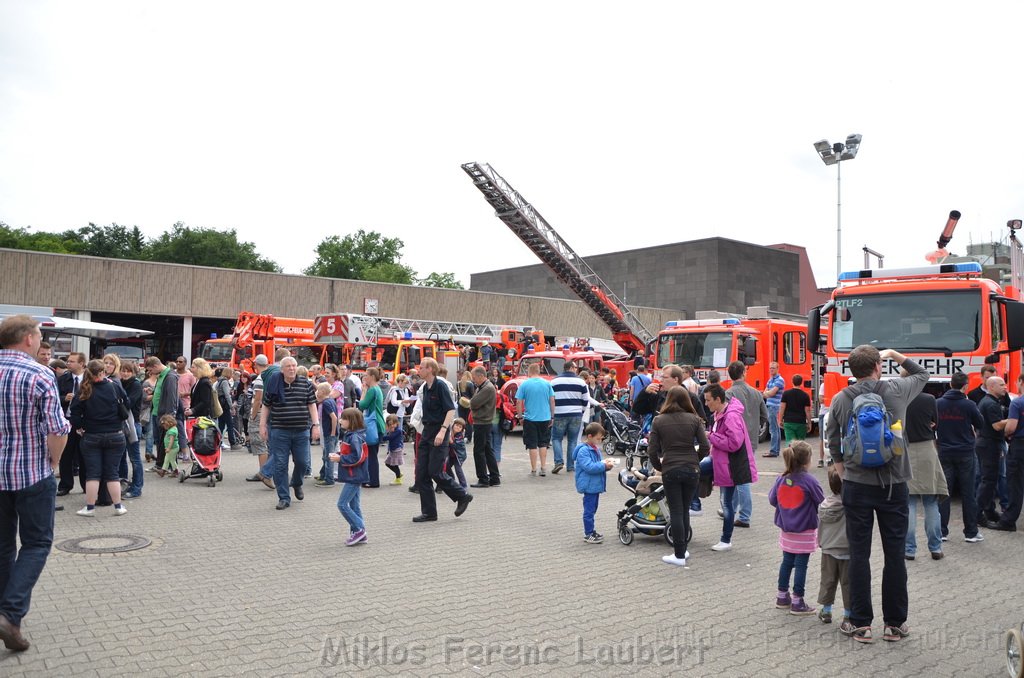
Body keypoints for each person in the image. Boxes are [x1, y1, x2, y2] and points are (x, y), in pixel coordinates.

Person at [826, 346, 928, 644]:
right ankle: (894, 625)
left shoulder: (841, 398)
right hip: (894, 485)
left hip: (857, 485)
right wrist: (895, 354)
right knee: (894, 555)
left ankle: (861, 624)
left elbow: (832, 439)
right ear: (877, 366)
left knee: (859, 555)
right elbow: (923, 373)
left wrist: (844, 473)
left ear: (852, 370)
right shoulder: (896, 389)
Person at [0, 315, 69, 652]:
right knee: (37, 543)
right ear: (28, 339)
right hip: (31, 474)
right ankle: (10, 614)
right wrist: (54, 461)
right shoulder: (39, 374)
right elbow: (58, 428)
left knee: (2, 546)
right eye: (39, 336)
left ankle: (5, 613)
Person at [647, 386, 709, 567]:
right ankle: (684, 549)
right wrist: (695, 461)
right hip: (691, 469)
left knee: (675, 510)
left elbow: (652, 450)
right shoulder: (695, 420)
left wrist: (660, 466)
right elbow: (705, 447)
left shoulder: (659, 420)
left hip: (671, 468)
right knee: (684, 508)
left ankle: (679, 555)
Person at [410, 357, 473, 522]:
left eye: (422, 367)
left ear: (430, 369)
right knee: (421, 474)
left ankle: (462, 495)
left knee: (435, 471)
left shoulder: (440, 386)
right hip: (427, 431)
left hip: (440, 431)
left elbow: (451, 410)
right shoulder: (425, 387)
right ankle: (429, 513)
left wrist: (444, 430)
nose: (419, 370)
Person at [768, 442, 825, 615]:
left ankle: (782, 596)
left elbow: (772, 499)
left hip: (786, 531)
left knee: (786, 562)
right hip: (805, 531)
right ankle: (798, 601)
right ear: (807, 460)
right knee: (801, 566)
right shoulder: (810, 480)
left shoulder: (782, 478)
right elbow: (821, 503)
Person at [69, 360, 129, 517]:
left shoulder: (83, 389)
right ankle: (118, 507)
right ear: (103, 372)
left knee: (93, 473)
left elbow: (74, 414)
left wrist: (81, 427)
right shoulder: (114, 386)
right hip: (116, 434)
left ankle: (89, 508)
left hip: (91, 436)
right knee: (112, 473)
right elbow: (127, 405)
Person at [259, 357, 319, 510]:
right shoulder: (274, 384)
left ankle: (297, 483)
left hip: (301, 431)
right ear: (282, 369)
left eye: (293, 366)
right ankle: (284, 498)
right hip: (280, 431)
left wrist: (316, 425)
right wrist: (262, 425)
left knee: (303, 463)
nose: (291, 369)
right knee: (280, 465)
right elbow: (266, 406)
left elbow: (311, 405)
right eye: (288, 366)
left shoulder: (305, 384)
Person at [935, 372, 984, 542]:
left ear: (950, 384)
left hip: (945, 452)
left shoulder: (938, 403)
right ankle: (971, 532)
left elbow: (932, 424)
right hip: (965, 453)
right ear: (965, 386)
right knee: (968, 493)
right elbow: (981, 424)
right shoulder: (969, 405)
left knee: (944, 493)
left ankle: (941, 532)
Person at [704, 383, 753, 552]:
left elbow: (734, 443)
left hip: (729, 466)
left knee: (727, 504)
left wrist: (712, 437)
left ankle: (726, 540)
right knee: (697, 471)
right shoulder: (720, 413)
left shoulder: (730, 416)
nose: (706, 404)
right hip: (722, 463)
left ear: (718, 399)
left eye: (708, 400)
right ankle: (694, 505)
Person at [904, 385, 948, 560]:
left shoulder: (900, 398)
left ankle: (909, 549)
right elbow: (935, 422)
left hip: (905, 450)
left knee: (909, 503)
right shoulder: (929, 399)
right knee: (931, 502)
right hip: (927, 449)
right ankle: (935, 548)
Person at [725, 361, 764, 528]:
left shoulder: (729, 393)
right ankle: (732, 509)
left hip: (734, 440)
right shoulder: (756, 393)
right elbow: (764, 416)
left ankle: (744, 515)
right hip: (751, 440)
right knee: (739, 476)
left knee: (740, 479)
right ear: (744, 373)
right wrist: (755, 427)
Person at [817, 467, 853, 633]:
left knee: (828, 580)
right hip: (847, 550)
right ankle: (848, 614)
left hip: (829, 549)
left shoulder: (824, 505)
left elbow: (821, 526)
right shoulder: (850, 505)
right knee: (848, 583)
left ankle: (826, 610)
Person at [330, 408, 369, 545]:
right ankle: (358, 532)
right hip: (353, 475)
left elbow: (357, 457)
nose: (340, 420)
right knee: (354, 505)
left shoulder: (355, 437)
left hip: (354, 476)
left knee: (342, 504)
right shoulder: (351, 435)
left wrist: (341, 459)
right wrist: (340, 456)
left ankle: (359, 529)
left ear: (351, 421)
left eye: (343, 418)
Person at [975, 375, 1009, 528]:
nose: (1005, 387)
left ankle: (989, 511)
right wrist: (1014, 418)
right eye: (1001, 385)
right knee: (988, 481)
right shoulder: (991, 404)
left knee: (990, 480)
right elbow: (996, 426)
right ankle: (976, 514)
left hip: (987, 444)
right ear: (992, 387)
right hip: (989, 445)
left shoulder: (991, 402)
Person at [572, 423, 614, 544]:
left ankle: (591, 531)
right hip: (589, 485)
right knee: (589, 510)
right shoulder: (584, 451)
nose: (600, 441)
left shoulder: (595, 449)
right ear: (590, 436)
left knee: (593, 508)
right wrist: (603, 465)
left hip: (594, 485)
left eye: (601, 439)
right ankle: (588, 533)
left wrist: (606, 465)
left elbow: (598, 464)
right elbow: (589, 467)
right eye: (598, 438)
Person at [994, 373, 1024, 532]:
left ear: (1020, 381)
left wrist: (1006, 434)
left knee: (1015, 484)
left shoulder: (1018, 403)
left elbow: (1011, 427)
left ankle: (1008, 521)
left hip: (1019, 446)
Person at [516, 362, 555, 476]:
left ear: (529, 371)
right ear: (538, 371)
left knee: (532, 444)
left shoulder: (524, 384)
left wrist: (519, 416)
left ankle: (533, 469)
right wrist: (552, 416)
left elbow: (519, 401)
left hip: (530, 418)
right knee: (543, 443)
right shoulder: (547, 384)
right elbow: (552, 400)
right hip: (544, 417)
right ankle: (543, 467)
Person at [56, 351, 87, 496]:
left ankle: (86, 485)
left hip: (83, 422)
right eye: (68, 361)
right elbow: (54, 397)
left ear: (81, 363)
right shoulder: (63, 379)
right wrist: (64, 398)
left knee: (83, 455)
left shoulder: (88, 379)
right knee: (66, 454)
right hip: (66, 420)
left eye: (71, 361)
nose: (68, 363)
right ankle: (65, 485)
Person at [144, 356, 181, 474]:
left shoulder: (169, 376)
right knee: (160, 440)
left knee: (166, 441)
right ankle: (160, 465)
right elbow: (161, 391)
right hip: (158, 412)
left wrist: (169, 416)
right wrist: (153, 392)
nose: (150, 373)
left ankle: (168, 466)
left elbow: (171, 397)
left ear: (155, 366)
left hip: (164, 414)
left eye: (150, 370)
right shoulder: (163, 375)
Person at [551, 361, 588, 475]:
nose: (577, 369)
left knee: (556, 439)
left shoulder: (554, 382)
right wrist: (580, 411)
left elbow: (551, 399)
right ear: (571, 368)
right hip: (575, 414)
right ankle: (571, 466)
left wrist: (552, 413)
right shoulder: (581, 382)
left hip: (559, 413)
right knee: (572, 441)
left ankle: (558, 462)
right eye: (576, 367)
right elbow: (585, 400)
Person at [467, 366, 500, 488]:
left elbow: (474, 403)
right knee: (487, 450)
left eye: (474, 378)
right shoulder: (484, 386)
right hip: (484, 422)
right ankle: (494, 477)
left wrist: (470, 403)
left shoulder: (487, 388)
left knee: (479, 451)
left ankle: (483, 479)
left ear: (481, 376)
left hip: (482, 422)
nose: (473, 380)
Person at [119, 361, 145, 499]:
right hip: (121, 425)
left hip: (133, 425)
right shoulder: (119, 383)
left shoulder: (135, 384)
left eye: (128, 371)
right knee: (121, 457)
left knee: (134, 458)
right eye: (123, 370)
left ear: (133, 372)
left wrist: (117, 400)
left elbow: (128, 403)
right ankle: (123, 483)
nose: (125, 373)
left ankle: (137, 488)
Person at [359, 368, 386, 489]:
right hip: (378, 424)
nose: (365, 378)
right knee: (372, 453)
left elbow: (362, 405)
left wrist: (363, 391)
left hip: (372, 425)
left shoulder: (372, 390)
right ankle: (372, 479)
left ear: (372, 377)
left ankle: (373, 480)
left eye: (366, 375)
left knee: (371, 455)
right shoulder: (378, 389)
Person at [314, 383, 339, 487]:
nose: (317, 393)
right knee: (326, 455)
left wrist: (332, 432)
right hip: (331, 433)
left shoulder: (326, 403)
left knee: (329, 456)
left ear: (323, 392)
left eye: (318, 391)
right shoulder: (330, 401)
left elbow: (334, 418)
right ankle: (323, 474)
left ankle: (329, 479)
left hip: (330, 434)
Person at [779, 374, 813, 443]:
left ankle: (790, 453)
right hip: (801, 422)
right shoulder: (805, 395)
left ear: (792, 382)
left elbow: (782, 407)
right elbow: (807, 411)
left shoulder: (786, 394)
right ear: (801, 382)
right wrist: (809, 423)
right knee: (800, 443)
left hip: (789, 422)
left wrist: (780, 420)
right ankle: (798, 454)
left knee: (790, 442)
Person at [763, 362, 785, 458]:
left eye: (773, 368)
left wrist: (767, 393)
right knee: (775, 428)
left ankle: (774, 451)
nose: (771, 370)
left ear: (777, 369)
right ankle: (775, 450)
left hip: (775, 406)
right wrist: (767, 393)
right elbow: (765, 392)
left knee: (773, 429)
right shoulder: (770, 380)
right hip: (770, 406)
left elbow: (771, 393)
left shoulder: (779, 380)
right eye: (770, 368)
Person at [382, 414, 405, 485]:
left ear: (397, 423)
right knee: (388, 463)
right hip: (392, 449)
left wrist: (383, 436)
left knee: (394, 464)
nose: (392, 426)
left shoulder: (398, 431)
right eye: (390, 424)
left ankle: (398, 479)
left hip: (397, 449)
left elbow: (389, 437)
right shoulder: (393, 430)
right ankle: (398, 473)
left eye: (393, 424)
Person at [449, 418, 469, 490]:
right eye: (456, 425)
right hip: (451, 455)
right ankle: (450, 482)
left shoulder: (460, 436)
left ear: (462, 429)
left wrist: (450, 441)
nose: (457, 427)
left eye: (460, 427)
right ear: (453, 425)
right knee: (446, 468)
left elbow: (456, 446)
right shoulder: (450, 432)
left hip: (459, 456)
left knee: (458, 470)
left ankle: (464, 485)